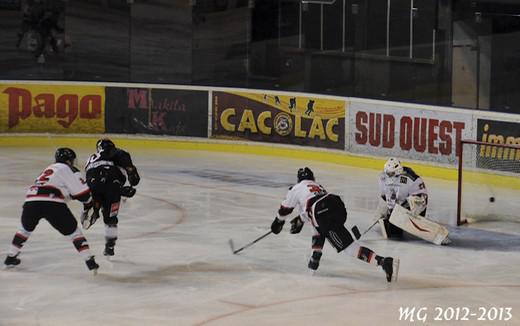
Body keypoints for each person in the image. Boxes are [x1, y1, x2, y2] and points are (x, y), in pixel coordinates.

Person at [270, 167, 399, 282]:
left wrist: (278, 222)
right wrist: (316, 254)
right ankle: (382, 261)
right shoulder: (317, 187)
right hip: (336, 204)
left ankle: (383, 262)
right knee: (330, 230)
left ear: (298, 180)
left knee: (349, 248)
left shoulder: (296, 188)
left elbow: (285, 209)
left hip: (322, 211)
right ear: (312, 178)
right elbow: (318, 227)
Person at [3, 148, 99, 274]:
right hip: (52, 202)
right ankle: (90, 261)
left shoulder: (48, 169)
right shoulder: (65, 169)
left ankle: (10, 257)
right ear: (70, 161)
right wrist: (89, 203)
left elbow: (54, 188)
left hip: (31, 200)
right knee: (74, 233)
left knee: (24, 230)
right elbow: (82, 194)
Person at [83, 138, 140, 257]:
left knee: (98, 192)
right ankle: (110, 245)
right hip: (112, 182)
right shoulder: (117, 152)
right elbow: (132, 174)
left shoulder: (90, 158)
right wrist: (131, 180)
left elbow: (88, 175)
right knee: (111, 219)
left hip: (92, 182)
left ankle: (94, 205)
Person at [377, 157, 429, 239]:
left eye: (391, 173)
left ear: (397, 171)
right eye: (387, 172)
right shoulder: (383, 177)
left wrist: (410, 208)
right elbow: (384, 196)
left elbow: (422, 196)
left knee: (414, 201)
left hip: (414, 204)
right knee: (394, 231)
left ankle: (416, 220)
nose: (388, 175)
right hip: (400, 204)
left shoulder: (411, 178)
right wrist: (385, 212)